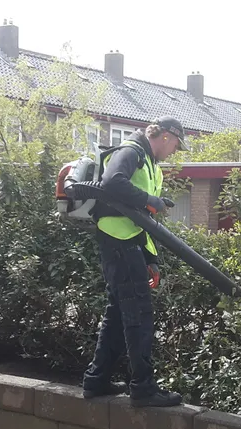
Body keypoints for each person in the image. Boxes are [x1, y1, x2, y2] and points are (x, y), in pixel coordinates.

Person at [81, 116, 189, 407]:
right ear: (165, 136)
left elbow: (142, 221)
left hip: (129, 244)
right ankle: (143, 387)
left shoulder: (150, 163)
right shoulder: (131, 151)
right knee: (138, 315)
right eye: (176, 144)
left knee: (117, 314)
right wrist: (149, 200)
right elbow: (111, 182)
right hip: (118, 242)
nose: (175, 151)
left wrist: (151, 258)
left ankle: (97, 380)